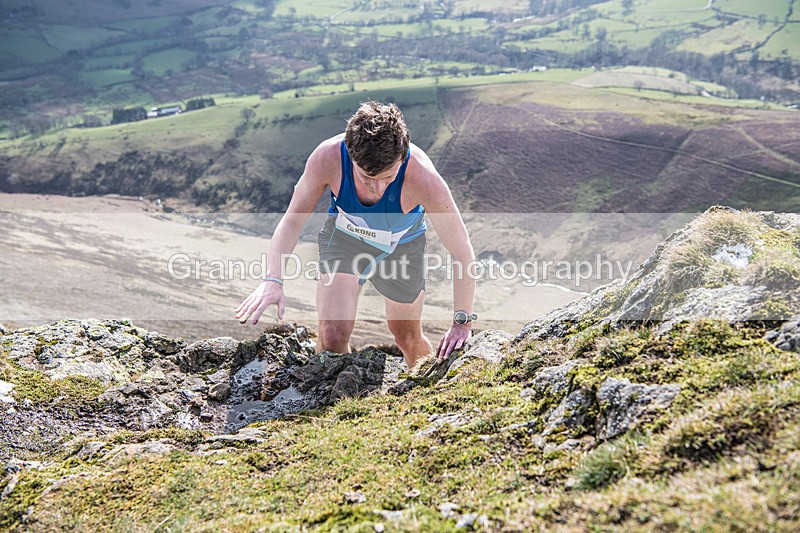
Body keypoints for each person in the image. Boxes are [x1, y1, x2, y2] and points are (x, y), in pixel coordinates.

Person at [235, 101, 476, 370]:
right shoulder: (328, 157)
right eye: (366, 178)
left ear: (402, 156)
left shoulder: (424, 177)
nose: (377, 189)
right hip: (345, 240)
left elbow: (461, 250)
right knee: (332, 335)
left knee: (406, 337)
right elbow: (292, 221)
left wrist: (462, 322)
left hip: (402, 246)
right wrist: (272, 280)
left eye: (388, 177)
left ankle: (422, 385)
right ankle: (332, 387)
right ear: (350, 156)